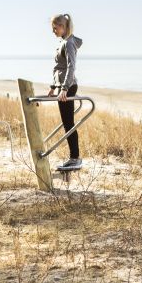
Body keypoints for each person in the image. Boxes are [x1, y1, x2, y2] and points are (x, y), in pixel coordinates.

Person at [48, 13, 83, 170]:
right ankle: (74, 158)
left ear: (62, 26)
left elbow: (71, 67)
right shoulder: (63, 42)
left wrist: (64, 88)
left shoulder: (69, 43)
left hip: (67, 87)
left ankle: (75, 158)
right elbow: (59, 67)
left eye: (55, 28)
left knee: (69, 123)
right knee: (67, 123)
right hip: (62, 87)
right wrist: (53, 86)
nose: (53, 31)